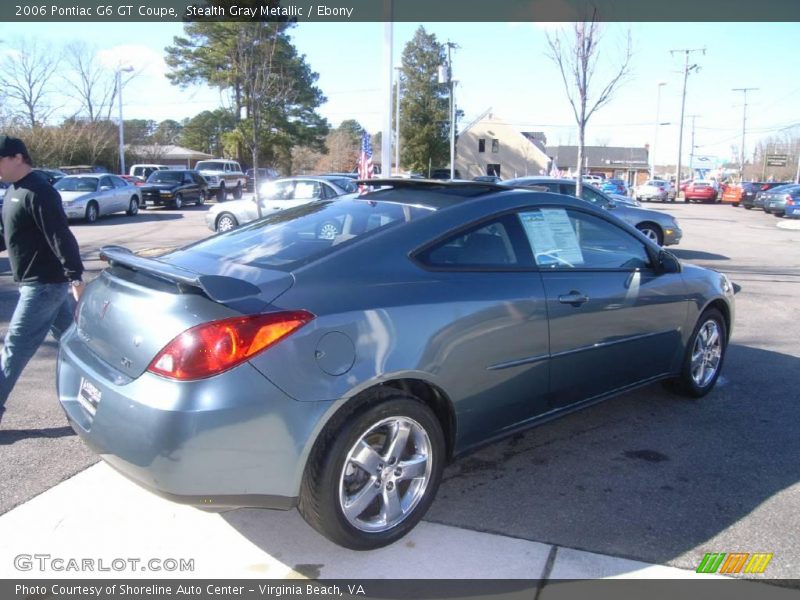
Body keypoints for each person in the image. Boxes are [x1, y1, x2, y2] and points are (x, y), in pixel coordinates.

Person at [0, 135, 85, 425]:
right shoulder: (15, 190)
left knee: (13, 350)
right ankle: (94, 401)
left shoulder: (39, 191)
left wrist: (75, 275)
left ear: (17, 158)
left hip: (44, 286)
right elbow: (12, 235)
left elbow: (60, 235)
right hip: (40, 284)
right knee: (74, 346)